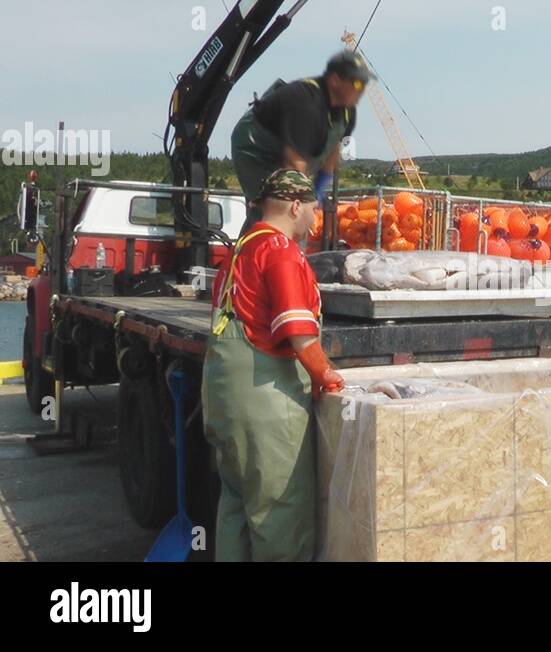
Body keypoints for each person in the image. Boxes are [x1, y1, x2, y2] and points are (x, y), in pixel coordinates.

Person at [202, 169, 345, 562]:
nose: (315, 221)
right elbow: (299, 334)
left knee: (237, 506)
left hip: (225, 399)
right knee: (280, 515)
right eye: (313, 210)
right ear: (296, 206)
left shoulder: (239, 250)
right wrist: (326, 375)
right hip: (266, 405)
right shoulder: (281, 251)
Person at [231, 49, 372, 234]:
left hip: (292, 154)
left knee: (297, 210)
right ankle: (253, 257)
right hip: (256, 147)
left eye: (364, 84)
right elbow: (295, 164)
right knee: (276, 208)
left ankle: (283, 255)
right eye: (356, 83)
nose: (361, 89)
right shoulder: (306, 105)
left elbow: (332, 152)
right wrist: (306, 200)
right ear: (335, 81)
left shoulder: (347, 112)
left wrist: (319, 189)